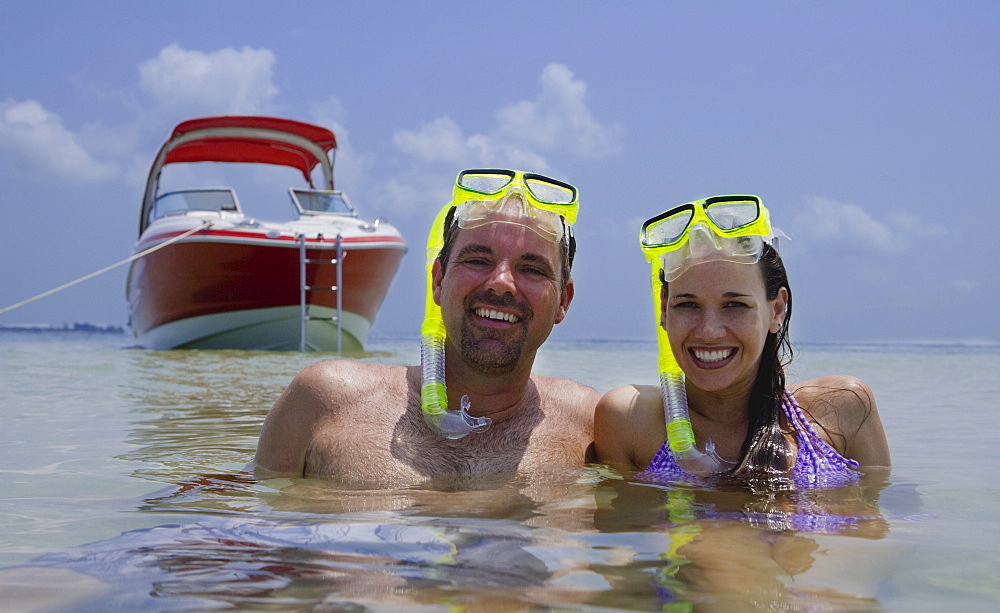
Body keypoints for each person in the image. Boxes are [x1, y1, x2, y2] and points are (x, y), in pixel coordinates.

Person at [255, 169, 599, 485]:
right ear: (437, 280)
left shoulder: (595, 426)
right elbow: (245, 520)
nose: (501, 283)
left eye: (533, 269)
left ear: (564, 301)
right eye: (478, 260)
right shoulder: (324, 401)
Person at [594, 194, 890, 490]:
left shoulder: (842, 410)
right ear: (664, 311)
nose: (709, 332)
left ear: (777, 310)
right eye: (687, 305)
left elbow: (882, 526)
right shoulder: (630, 421)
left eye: (734, 305)